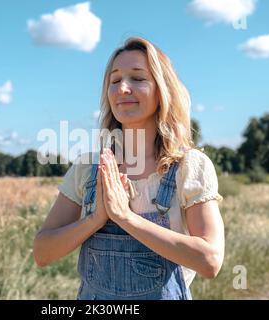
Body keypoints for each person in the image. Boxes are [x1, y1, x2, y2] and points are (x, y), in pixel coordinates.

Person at [33, 37, 225, 300]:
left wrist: (125, 217)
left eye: (137, 78)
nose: (123, 88)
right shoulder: (89, 168)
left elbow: (210, 261)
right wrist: (96, 219)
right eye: (114, 80)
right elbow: (43, 253)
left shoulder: (188, 167)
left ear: (162, 90)